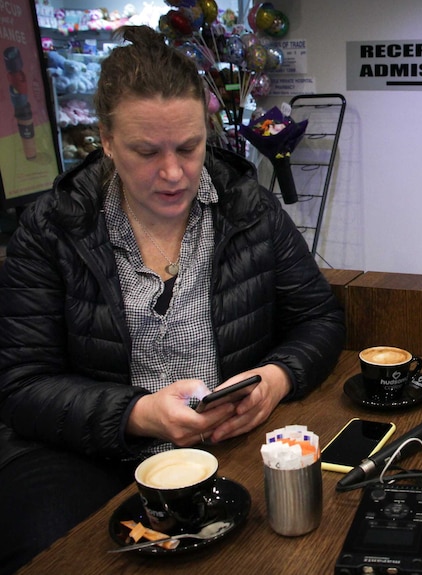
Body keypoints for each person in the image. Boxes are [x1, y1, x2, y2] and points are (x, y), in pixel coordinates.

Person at [0, 26, 345, 574]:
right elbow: (22, 386)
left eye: (189, 147)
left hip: (229, 443)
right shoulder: (53, 229)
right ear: (106, 142)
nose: (173, 173)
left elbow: (319, 318)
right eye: (145, 151)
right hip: (87, 455)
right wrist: (136, 415)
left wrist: (277, 378)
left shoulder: (247, 209)